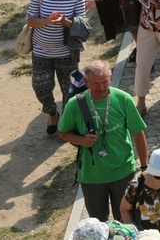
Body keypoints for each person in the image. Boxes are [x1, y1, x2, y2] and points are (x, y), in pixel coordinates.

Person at [58, 60, 148, 222]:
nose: (100, 87)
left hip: (123, 172)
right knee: (98, 222)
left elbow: (138, 133)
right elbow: (63, 132)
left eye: (104, 82)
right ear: (86, 82)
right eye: (95, 83)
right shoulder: (74, 105)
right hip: (92, 176)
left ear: (111, 78)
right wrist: (81, 140)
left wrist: (145, 166)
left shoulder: (123, 99)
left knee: (126, 219)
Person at [26, 0, 85, 134]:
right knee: (40, 87)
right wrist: (47, 21)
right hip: (41, 50)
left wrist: (66, 22)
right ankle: (52, 113)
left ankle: (67, 121)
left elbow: (81, 23)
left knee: (70, 91)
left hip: (67, 53)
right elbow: (30, 20)